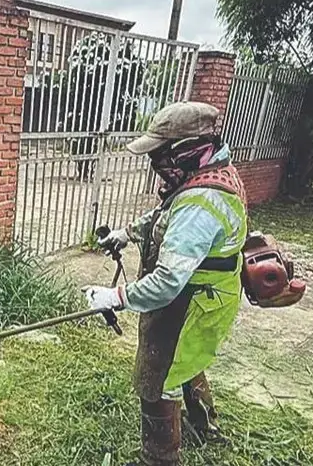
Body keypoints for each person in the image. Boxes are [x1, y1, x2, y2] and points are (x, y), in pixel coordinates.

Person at [82, 101, 248, 466]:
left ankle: (159, 459)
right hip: (207, 295)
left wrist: (115, 296)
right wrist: (126, 233)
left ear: (185, 150)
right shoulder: (209, 171)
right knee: (185, 360)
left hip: (193, 300)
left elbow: (168, 281)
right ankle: (204, 427)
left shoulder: (200, 204)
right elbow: (166, 213)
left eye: (159, 154)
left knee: (158, 377)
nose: (154, 163)